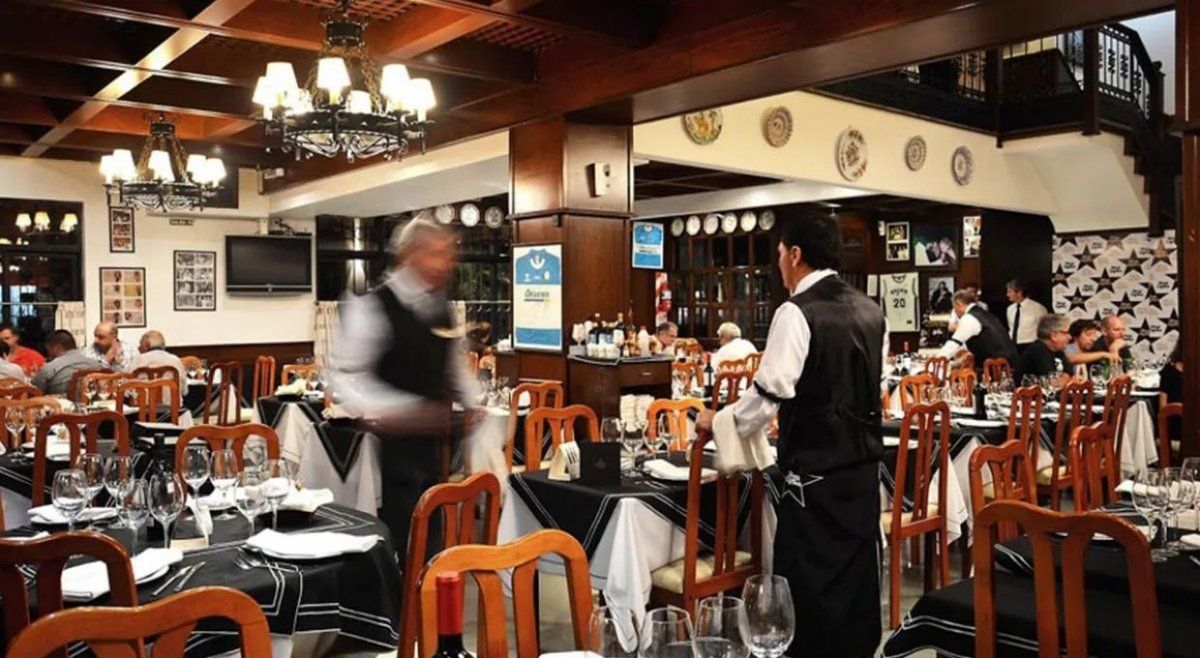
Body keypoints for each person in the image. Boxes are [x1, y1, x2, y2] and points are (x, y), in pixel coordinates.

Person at [697, 213, 886, 658]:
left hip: (815, 476)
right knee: (854, 585)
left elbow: (768, 396)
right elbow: (868, 388)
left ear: (795, 254)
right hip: (863, 475)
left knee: (811, 587)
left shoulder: (796, 311)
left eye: (781, 254)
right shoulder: (871, 310)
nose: (780, 264)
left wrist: (719, 420)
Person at [332, 218, 480, 562]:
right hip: (383, 453)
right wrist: (397, 411)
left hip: (431, 450)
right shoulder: (371, 305)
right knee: (392, 545)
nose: (445, 264)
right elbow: (344, 376)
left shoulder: (440, 306)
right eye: (436, 253)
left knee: (429, 544)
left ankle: (424, 592)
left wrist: (474, 400)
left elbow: (452, 364)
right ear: (409, 254)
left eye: (448, 255)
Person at [940, 289, 1019, 370]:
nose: (955, 312)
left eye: (954, 308)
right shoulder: (985, 314)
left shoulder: (970, 318)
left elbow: (954, 343)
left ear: (959, 304)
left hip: (998, 367)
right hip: (1012, 362)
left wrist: (937, 359)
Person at [32, 330, 96, 395]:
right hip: (91, 401)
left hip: (59, 401)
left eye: (48, 350)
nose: (48, 354)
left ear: (57, 347)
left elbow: (34, 392)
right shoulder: (96, 365)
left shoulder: (48, 369)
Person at [1016, 314, 1071, 382]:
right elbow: (1051, 383)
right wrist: (1065, 379)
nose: (1069, 337)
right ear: (1054, 336)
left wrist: (1065, 379)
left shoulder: (1057, 350)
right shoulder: (1037, 351)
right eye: (1066, 333)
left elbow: (1070, 374)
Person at [1005, 279, 1047, 353]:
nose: (1007, 295)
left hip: (1030, 347)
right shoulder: (1010, 309)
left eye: (1010, 292)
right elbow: (1011, 327)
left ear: (1019, 293)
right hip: (1013, 346)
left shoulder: (1038, 308)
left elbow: (1044, 329)